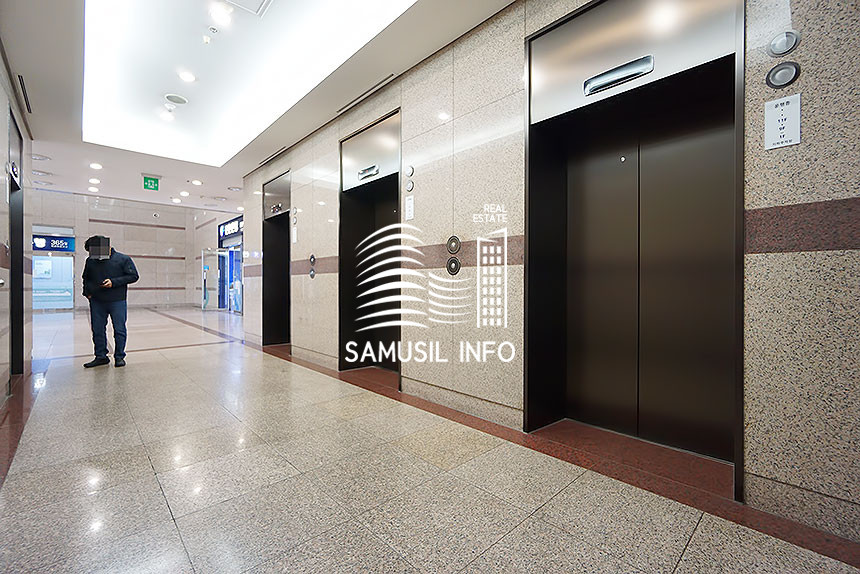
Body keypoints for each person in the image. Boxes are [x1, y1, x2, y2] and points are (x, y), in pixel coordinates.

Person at [81, 235, 139, 368]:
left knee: (119, 329)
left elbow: (133, 276)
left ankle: (119, 356)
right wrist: (87, 292)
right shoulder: (90, 260)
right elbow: (86, 277)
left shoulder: (123, 259)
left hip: (117, 300)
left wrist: (114, 282)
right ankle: (101, 356)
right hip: (97, 301)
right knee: (97, 330)